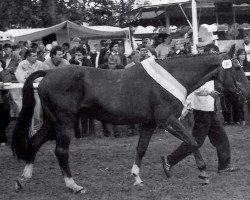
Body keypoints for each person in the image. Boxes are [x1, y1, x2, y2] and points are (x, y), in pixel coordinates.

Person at [161, 80, 238, 178]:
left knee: (221, 138)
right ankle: (169, 160)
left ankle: (224, 166)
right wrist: (209, 93)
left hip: (210, 110)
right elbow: (196, 88)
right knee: (195, 142)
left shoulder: (211, 70)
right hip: (202, 111)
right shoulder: (201, 69)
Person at [15, 49, 44, 136]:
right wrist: (33, 78)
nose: (36, 57)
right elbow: (21, 79)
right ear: (28, 57)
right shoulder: (22, 64)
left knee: (37, 112)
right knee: (25, 111)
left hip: (36, 91)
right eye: (34, 56)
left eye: (36, 55)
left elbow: (41, 78)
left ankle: (36, 130)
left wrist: (29, 77)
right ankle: (27, 131)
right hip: (25, 92)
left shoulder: (40, 64)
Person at [99, 55, 124, 137]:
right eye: (110, 63)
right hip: (105, 95)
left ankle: (116, 133)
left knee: (115, 114)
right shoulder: (102, 71)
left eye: (113, 63)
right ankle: (106, 132)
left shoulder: (120, 71)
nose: (111, 65)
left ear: (116, 64)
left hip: (116, 95)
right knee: (103, 113)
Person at [2, 43, 22, 117]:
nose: (5, 51)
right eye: (4, 50)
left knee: (17, 99)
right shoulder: (3, 58)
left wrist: (9, 70)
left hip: (14, 80)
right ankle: (13, 115)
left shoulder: (17, 57)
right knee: (10, 99)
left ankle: (20, 115)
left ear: (11, 49)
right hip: (6, 80)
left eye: (6, 49)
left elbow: (20, 67)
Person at [0, 59, 11, 146]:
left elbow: (7, 82)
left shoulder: (5, 72)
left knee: (7, 119)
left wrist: (1, 71)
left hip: (5, 99)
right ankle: (2, 138)